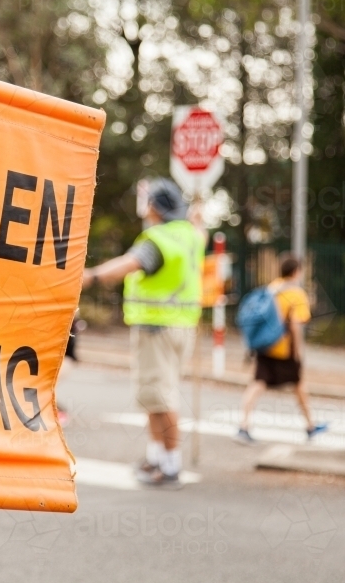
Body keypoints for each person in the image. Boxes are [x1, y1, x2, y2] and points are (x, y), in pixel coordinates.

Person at [82, 178, 205, 488]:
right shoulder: (190, 234)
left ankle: (171, 464)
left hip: (157, 328)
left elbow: (130, 264)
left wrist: (91, 277)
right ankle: (156, 456)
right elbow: (200, 229)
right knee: (154, 395)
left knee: (161, 398)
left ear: (154, 206)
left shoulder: (157, 239)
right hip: (182, 325)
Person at [236, 256, 327, 444]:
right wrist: (298, 351)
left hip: (265, 345)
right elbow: (295, 325)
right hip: (285, 348)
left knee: (258, 383)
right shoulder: (296, 294)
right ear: (297, 272)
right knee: (299, 384)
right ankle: (310, 426)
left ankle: (243, 425)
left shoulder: (272, 288)